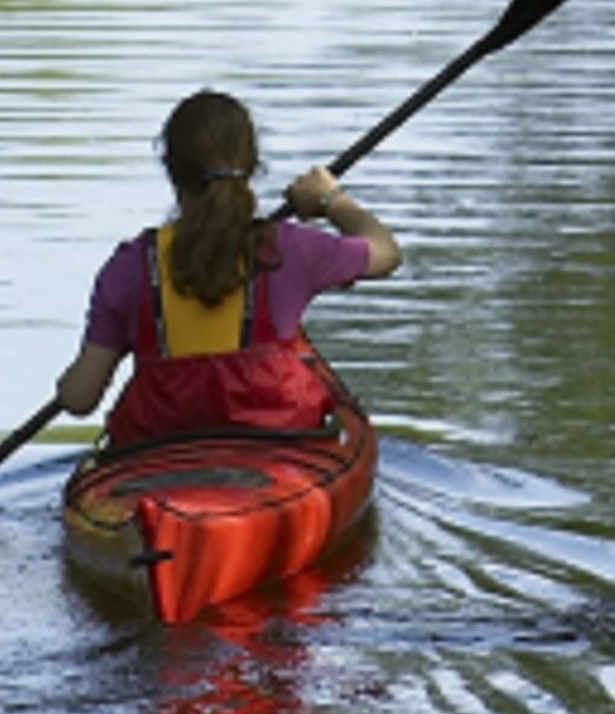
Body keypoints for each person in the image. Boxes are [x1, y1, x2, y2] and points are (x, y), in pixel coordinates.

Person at [54, 89, 402, 450]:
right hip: (278, 452)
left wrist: (66, 388)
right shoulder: (288, 249)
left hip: (159, 458)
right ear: (251, 168)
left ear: (172, 173)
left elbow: (81, 399)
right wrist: (331, 200)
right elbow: (386, 253)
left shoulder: (129, 267)